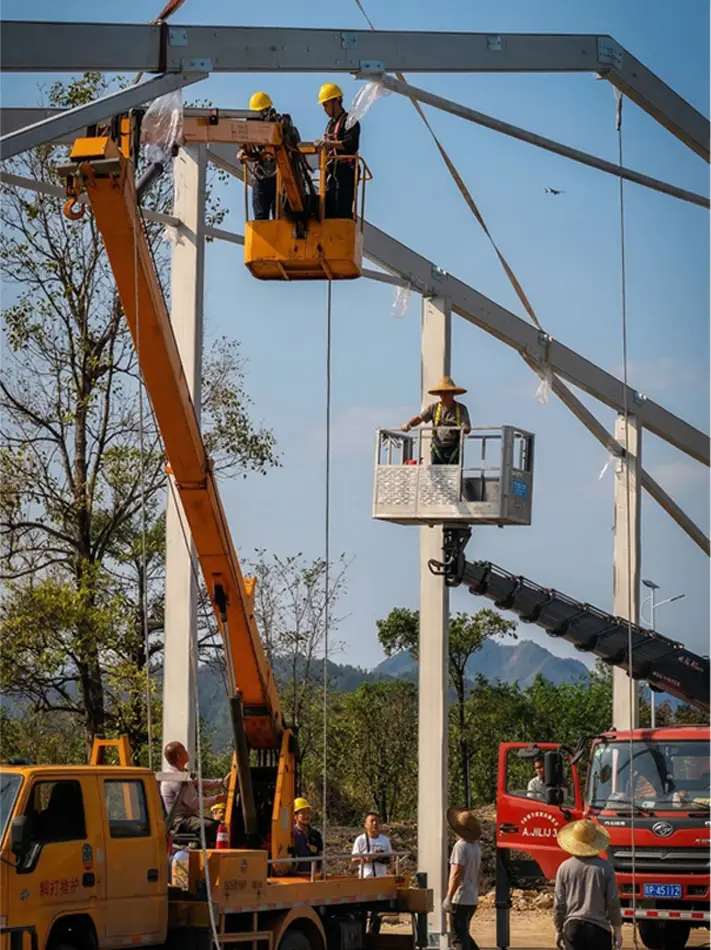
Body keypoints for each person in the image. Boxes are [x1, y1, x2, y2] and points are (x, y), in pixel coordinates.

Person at [553, 819, 623, 950]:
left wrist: (558, 929)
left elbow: (559, 903)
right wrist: (617, 929)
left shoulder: (564, 867)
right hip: (599, 929)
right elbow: (613, 901)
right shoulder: (605, 868)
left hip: (572, 928)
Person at [239, 92, 300, 221]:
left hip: (278, 177)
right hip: (260, 178)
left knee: (279, 218)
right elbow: (252, 153)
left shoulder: (280, 126)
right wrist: (245, 153)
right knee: (261, 219)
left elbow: (293, 146)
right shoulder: (251, 128)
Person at [160, 740, 228, 847]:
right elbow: (194, 803)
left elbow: (199, 783)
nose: (187, 752)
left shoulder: (181, 774)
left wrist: (221, 782)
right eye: (184, 750)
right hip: (180, 821)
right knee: (214, 827)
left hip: (188, 817)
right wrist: (217, 799)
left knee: (218, 825)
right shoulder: (174, 778)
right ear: (179, 756)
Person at [401, 377, 471, 465]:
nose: (443, 395)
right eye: (441, 393)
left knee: (454, 475)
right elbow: (420, 418)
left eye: (446, 392)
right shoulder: (433, 408)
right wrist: (409, 425)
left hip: (454, 449)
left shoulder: (461, 409)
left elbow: (467, 427)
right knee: (436, 476)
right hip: (437, 448)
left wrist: (463, 428)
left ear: (453, 393)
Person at [317, 83, 360, 219]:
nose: (325, 109)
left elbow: (350, 144)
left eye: (326, 105)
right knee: (327, 211)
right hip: (331, 173)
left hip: (345, 174)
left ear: (336, 101)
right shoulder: (330, 125)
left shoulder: (350, 122)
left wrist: (330, 144)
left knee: (341, 212)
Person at [442, 807, 482, 950]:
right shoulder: (476, 847)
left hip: (460, 896)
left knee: (458, 938)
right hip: (472, 896)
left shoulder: (460, 846)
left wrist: (449, 896)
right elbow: (478, 873)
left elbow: (456, 873)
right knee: (464, 933)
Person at [352, 812, 393, 934]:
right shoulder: (360, 840)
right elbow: (354, 859)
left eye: (377, 821)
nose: (375, 824)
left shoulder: (385, 840)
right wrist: (367, 858)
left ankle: (373, 935)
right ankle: (361, 935)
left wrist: (378, 857)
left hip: (380, 880)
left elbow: (389, 859)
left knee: (377, 912)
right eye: (372, 821)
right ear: (366, 824)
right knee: (362, 911)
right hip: (365, 879)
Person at [293, 797, 323, 875]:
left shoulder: (315, 834)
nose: (306, 816)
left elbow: (320, 854)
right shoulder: (291, 835)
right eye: (303, 813)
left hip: (313, 875)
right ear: (295, 815)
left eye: (308, 812)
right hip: (296, 876)